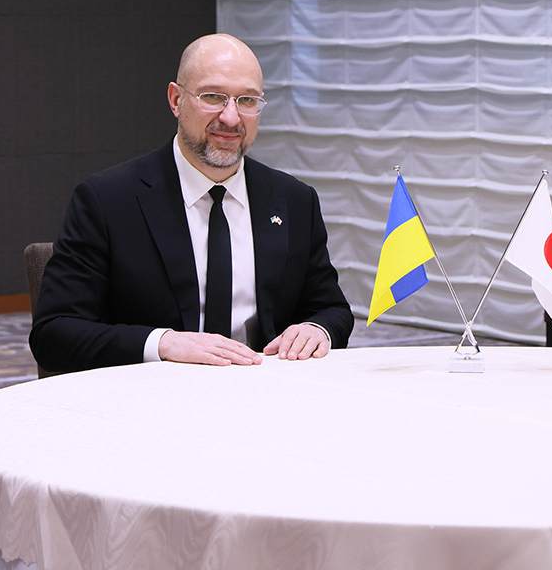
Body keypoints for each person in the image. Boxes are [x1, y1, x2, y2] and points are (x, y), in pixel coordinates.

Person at [31, 34, 354, 373]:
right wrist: (164, 343)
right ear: (176, 100)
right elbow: (54, 334)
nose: (231, 118)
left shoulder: (293, 200)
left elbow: (332, 309)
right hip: (148, 401)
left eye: (247, 100)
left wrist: (316, 329)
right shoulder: (107, 200)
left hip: (262, 399)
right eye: (213, 97)